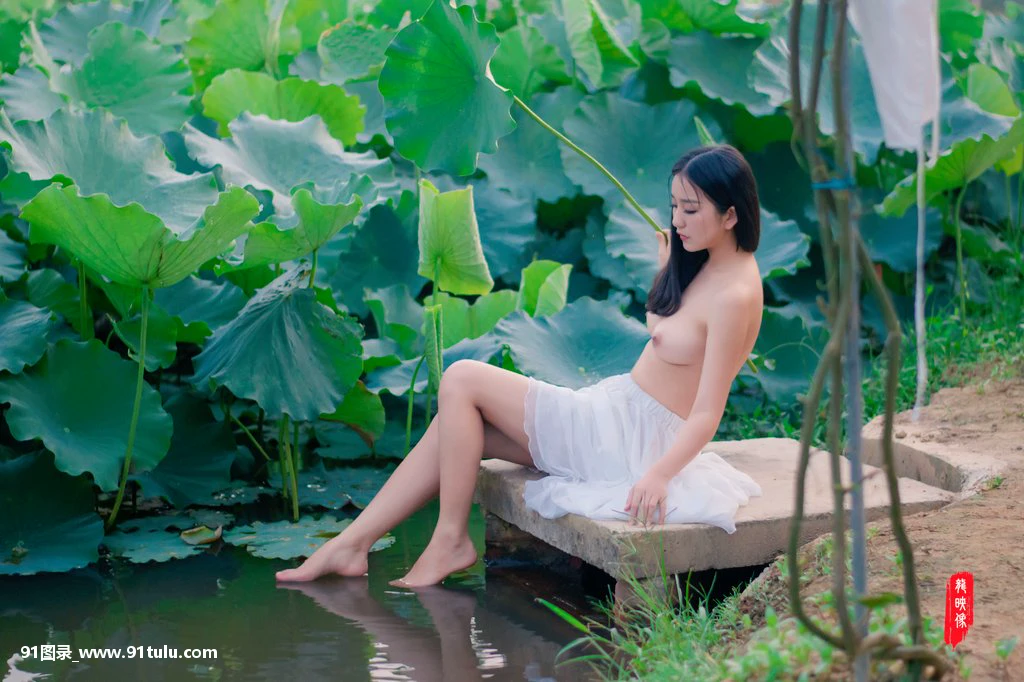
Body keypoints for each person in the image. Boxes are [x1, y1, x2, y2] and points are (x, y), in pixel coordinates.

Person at [276, 144, 765, 588]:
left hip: (624, 444)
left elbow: (708, 411)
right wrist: (665, 271)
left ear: (730, 215)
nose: (676, 221)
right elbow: (673, 334)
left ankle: (450, 539)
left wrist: (658, 475)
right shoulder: (709, 263)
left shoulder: (735, 295)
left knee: (461, 378)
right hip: (612, 418)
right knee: (455, 426)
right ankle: (353, 544)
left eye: (690, 210)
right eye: (674, 206)